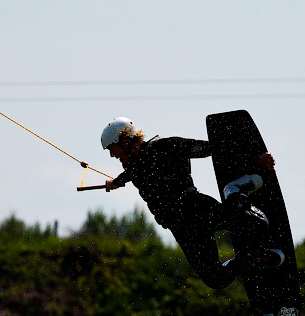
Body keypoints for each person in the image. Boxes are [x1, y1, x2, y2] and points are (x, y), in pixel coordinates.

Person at [100, 117, 283, 290]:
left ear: (124, 140)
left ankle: (235, 190)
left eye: (111, 148)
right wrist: (115, 182)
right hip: (182, 229)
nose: (111, 155)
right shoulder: (132, 166)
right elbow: (134, 173)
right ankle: (251, 257)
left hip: (197, 209)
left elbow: (211, 148)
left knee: (258, 224)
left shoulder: (164, 146)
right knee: (216, 279)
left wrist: (255, 158)